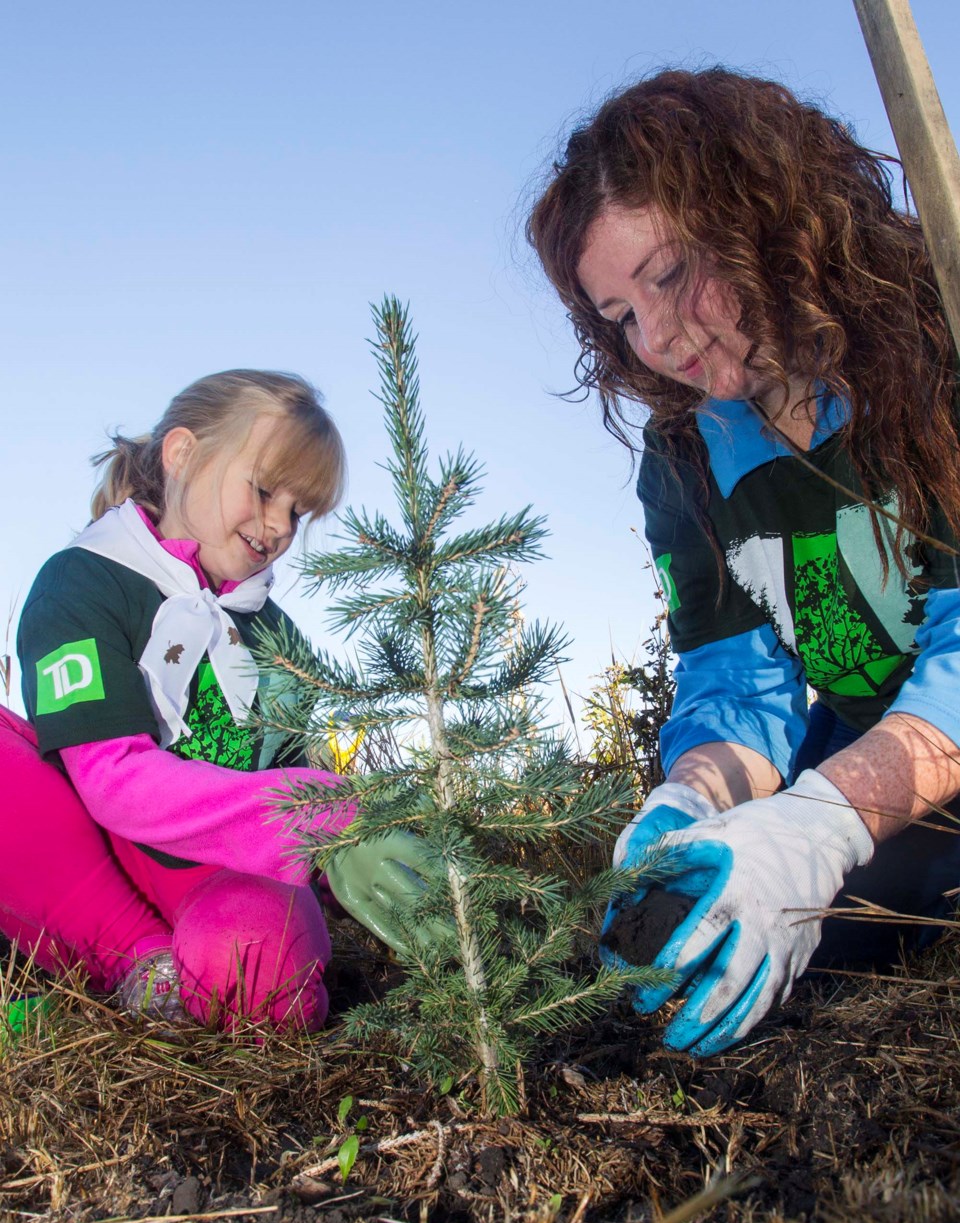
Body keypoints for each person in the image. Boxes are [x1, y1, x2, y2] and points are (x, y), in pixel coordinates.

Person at [527, 67, 960, 1056]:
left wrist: (826, 826)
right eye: (620, 314)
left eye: (671, 273)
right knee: (701, 919)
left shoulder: (934, 338)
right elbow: (737, 679)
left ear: (766, 210)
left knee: (878, 893)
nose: (659, 336)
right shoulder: (688, 456)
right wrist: (688, 802)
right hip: (855, 739)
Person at [3, 369, 423, 1032]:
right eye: (262, 489)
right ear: (182, 454)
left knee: (257, 966)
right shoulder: (82, 580)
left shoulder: (276, 637)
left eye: (300, 509)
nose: (280, 524)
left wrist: (343, 866)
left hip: (216, 872)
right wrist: (321, 815)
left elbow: (284, 766)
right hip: (88, 850)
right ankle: (135, 963)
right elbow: (110, 781)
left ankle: (108, 992)